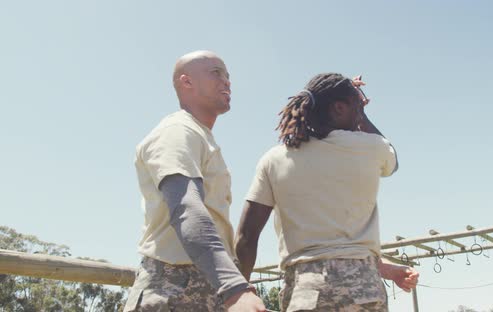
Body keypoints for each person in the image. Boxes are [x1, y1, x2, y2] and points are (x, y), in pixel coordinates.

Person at [235, 73, 419, 311]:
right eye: (357, 105)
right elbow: (392, 159)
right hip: (363, 292)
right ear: (339, 108)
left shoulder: (274, 159)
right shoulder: (370, 148)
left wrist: (238, 295)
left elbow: (246, 237)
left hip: (305, 292)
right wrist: (363, 114)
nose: (359, 112)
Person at [124, 51, 265, 312]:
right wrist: (235, 287)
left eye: (228, 76)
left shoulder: (200, 135)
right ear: (186, 82)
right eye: (216, 73)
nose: (227, 82)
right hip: (174, 289)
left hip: (205, 287)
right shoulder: (177, 131)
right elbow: (187, 209)